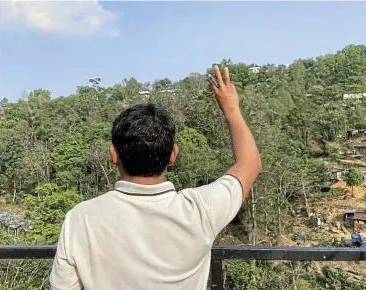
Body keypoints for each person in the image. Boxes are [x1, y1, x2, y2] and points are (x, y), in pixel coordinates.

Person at [49, 65, 261, 290]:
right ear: (173, 155)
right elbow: (250, 165)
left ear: (114, 154)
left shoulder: (81, 219)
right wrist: (231, 109)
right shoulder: (200, 210)